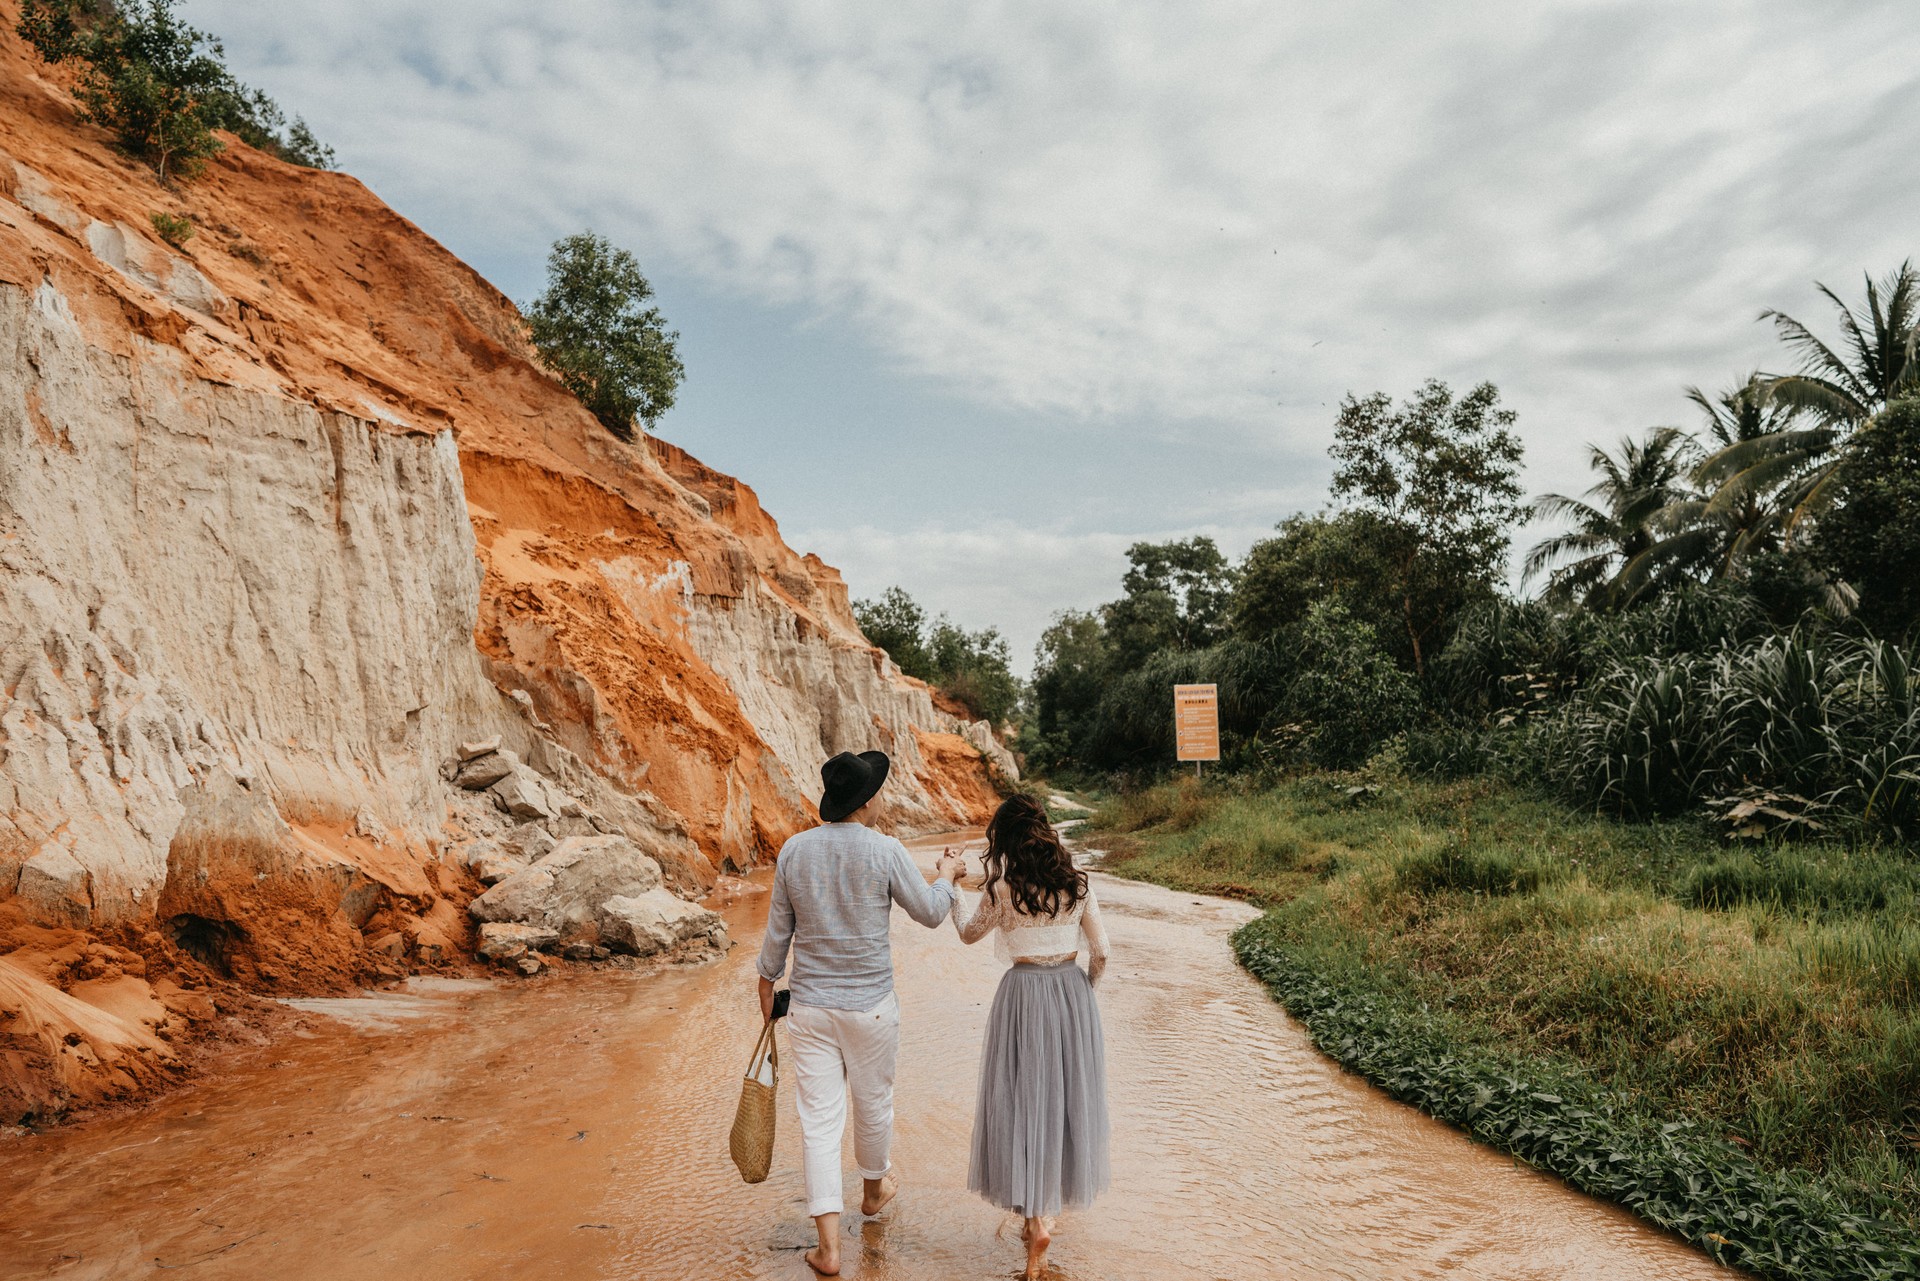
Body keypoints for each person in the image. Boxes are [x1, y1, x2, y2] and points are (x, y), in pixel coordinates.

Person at [755, 749, 966, 1277]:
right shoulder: (886, 850)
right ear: (867, 801)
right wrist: (947, 872)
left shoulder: (794, 851)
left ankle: (827, 1250)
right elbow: (933, 913)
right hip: (872, 1009)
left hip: (809, 1008)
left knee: (819, 1123)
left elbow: (776, 941)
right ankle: (872, 1195)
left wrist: (766, 996)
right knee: (874, 1104)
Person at [948, 793, 1111, 1280]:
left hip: (1021, 996)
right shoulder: (1078, 884)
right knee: (1064, 1104)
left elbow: (967, 933)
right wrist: (1084, 993)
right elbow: (1102, 951)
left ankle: (1034, 1219)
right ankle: (1046, 1215)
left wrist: (953, 885)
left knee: (1021, 1101)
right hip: (1070, 992)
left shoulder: (1002, 888)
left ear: (1006, 838)